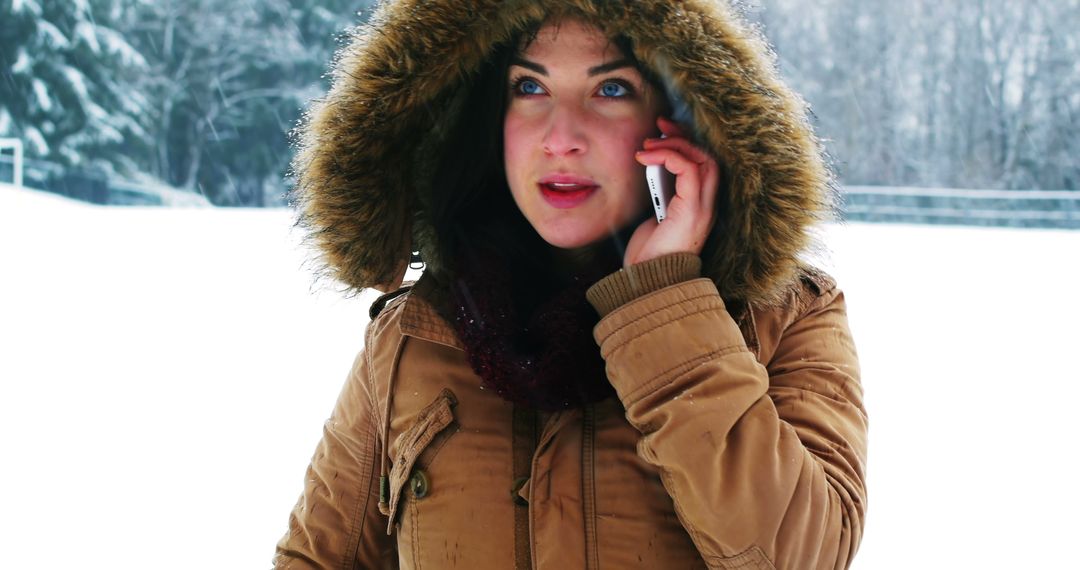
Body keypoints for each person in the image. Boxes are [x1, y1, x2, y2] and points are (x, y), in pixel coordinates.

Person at [275, 1, 867, 569]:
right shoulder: (413, 336)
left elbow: (804, 555)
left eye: (611, 89)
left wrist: (662, 301)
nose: (561, 138)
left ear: (683, 124)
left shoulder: (782, 316)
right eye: (528, 88)